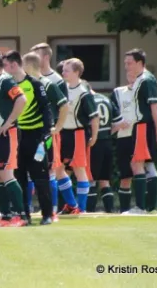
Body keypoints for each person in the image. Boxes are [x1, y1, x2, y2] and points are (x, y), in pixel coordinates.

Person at [2, 51, 53, 225]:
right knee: (20, 177)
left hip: (36, 136)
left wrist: (47, 134)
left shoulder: (35, 84)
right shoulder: (7, 85)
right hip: (17, 137)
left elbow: (47, 109)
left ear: (14, 65)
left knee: (40, 177)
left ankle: (47, 215)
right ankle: (25, 215)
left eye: (6, 65)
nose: (4, 69)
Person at [0, 50, 29, 227]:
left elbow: (21, 99)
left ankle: (22, 216)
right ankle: (6, 217)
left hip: (5, 135)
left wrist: (9, 121)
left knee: (7, 175)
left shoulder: (5, 81)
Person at [22, 52, 69, 221]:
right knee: (26, 173)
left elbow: (64, 106)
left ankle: (51, 212)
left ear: (28, 66)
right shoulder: (23, 84)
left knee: (47, 171)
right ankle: (25, 211)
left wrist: (57, 128)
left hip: (44, 136)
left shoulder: (47, 84)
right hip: (27, 134)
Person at [123, 49, 157, 214]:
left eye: (129, 63)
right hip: (140, 126)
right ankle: (151, 207)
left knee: (137, 163)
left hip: (143, 126)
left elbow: (155, 107)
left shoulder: (146, 80)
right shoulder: (141, 80)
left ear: (140, 62)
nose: (127, 66)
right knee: (148, 164)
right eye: (125, 63)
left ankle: (140, 207)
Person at [58, 58, 100, 213]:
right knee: (58, 168)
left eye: (67, 70)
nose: (63, 72)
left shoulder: (83, 93)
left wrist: (94, 136)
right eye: (63, 70)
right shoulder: (62, 88)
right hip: (63, 133)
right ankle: (71, 204)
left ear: (76, 72)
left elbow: (94, 117)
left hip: (78, 133)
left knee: (79, 170)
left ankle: (80, 208)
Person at [85, 83, 124, 213]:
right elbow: (119, 122)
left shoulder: (88, 101)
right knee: (104, 180)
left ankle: (89, 211)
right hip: (107, 143)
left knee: (90, 179)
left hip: (93, 143)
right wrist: (108, 133)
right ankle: (110, 210)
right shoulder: (106, 99)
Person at [111, 72, 139, 213]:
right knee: (125, 176)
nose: (131, 75)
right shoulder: (117, 92)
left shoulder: (146, 92)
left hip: (141, 138)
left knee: (142, 174)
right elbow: (112, 118)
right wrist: (118, 126)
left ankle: (144, 207)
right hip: (124, 138)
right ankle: (124, 210)